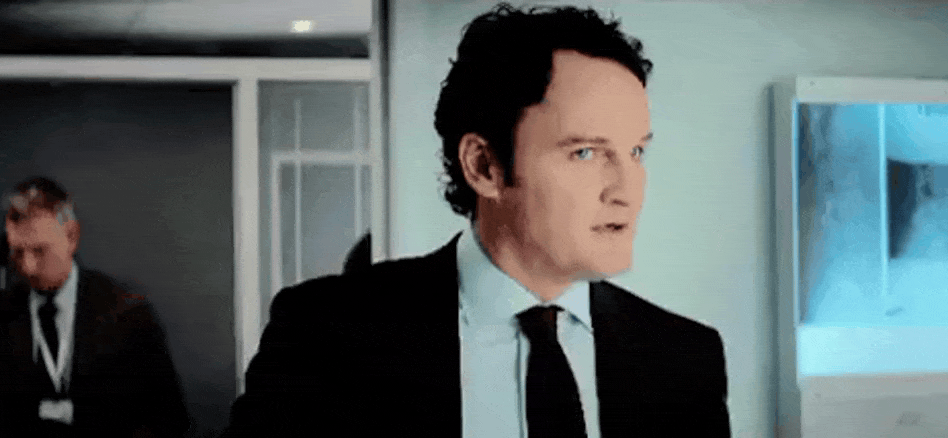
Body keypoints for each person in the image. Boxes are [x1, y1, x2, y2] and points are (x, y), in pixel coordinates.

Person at [222, 3, 730, 437]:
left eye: (636, 151)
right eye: (585, 153)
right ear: (484, 166)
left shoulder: (684, 358)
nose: (627, 190)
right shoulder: (327, 335)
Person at [0, 177, 191, 438]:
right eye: (18, 252)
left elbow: (168, 417)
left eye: (40, 251)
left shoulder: (129, 314)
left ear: (71, 236)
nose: (27, 267)